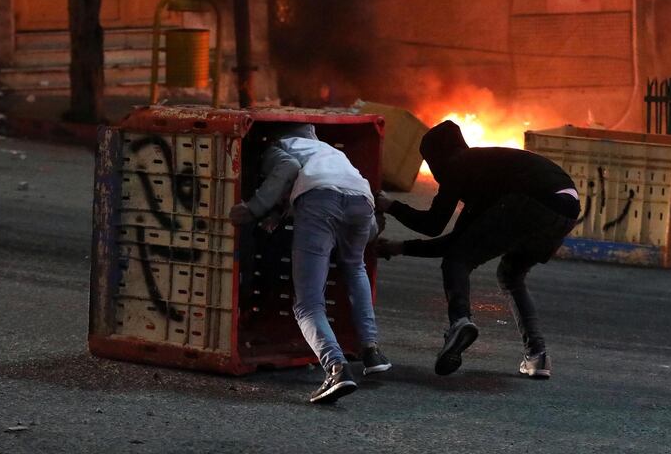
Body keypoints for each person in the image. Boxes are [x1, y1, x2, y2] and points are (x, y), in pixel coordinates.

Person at [376, 121, 579, 379]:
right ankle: (537, 356)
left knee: (456, 262)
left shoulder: (457, 165)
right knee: (510, 275)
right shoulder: (485, 171)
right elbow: (454, 240)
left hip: (532, 201)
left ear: (435, 157)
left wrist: (390, 206)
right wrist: (399, 247)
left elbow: (433, 225)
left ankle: (460, 321)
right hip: (567, 209)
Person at [230, 123, 391, 403]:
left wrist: (253, 208)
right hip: (361, 203)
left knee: (307, 304)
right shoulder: (329, 152)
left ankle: (336, 369)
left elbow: (288, 170)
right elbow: (338, 191)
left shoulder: (280, 147)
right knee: (354, 268)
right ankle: (371, 350)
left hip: (320, 203)